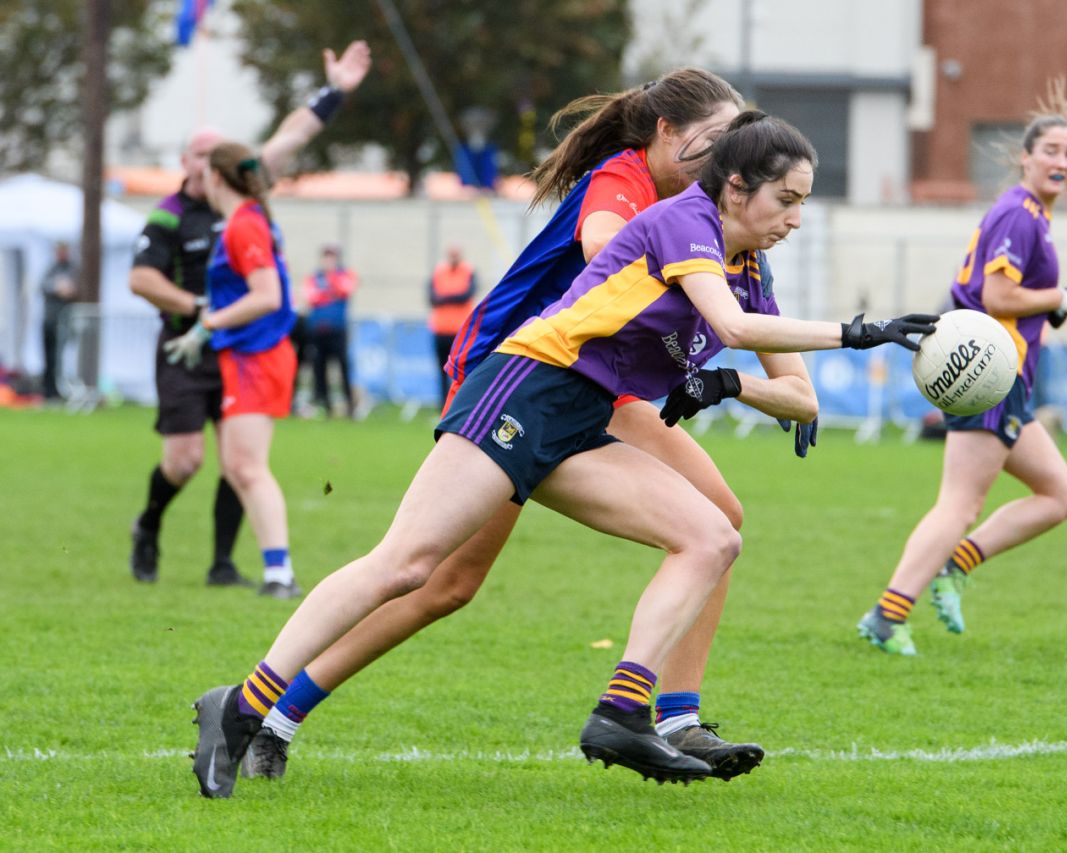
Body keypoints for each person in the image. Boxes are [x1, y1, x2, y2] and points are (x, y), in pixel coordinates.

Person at [189, 110, 935, 797]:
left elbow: (799, 396)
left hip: (582, 420)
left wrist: (723, 385)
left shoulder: (745, 267)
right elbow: (731, 325)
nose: (796, 219)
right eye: (786, 199)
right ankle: (246, 702)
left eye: (804, 201)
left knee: (712, 535)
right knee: (410, 565)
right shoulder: (686, 223)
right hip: (528, 388)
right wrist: (858, 331)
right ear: (736, 187)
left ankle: (624, 711)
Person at [240, 69, 766, 786]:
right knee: (441, 580)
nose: (722, 158)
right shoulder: (626, 178)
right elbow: (605, 249)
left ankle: (676, 717)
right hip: (514, 370)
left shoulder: (697, 206)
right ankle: (272, 714)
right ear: (665, 133)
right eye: (710, 141)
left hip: (593, 384)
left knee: (719, 521)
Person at [856, 81, 1067, 656]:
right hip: (986, 372)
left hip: (1005, 375)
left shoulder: (1030, 214)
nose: (1062, 161)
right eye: (1051, 151)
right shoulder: (1018, 215)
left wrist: (1054, 302)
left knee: (1059, 493)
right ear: (1025, 156)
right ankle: (887, 617)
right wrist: (1059, 297)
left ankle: (956, 565)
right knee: (961, 504)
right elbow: (997, 296)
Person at [126, 41, 371, 588]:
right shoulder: (169, 215)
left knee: (240, 462)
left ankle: (230, 565)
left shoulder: (245, 203)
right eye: (199, 152)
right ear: (190, 163)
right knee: (188, 460)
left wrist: (335, 91)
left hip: (238, 344)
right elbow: (140, 279)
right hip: (187, 346)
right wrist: (200, 313)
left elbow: (295, 133)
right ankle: (150, 523)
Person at [162, 141, 301, 600]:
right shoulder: (248, 218)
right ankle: (276, 570)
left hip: (256, 358)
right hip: (248, 357)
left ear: (217, 177)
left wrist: (206, 326)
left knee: (246, 466)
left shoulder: (243, 224)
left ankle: (279, 574)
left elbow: (267, 296)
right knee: (237, 465)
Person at [303, 244, 358, 416]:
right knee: (319, 367)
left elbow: (346, 289)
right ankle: (324, 404)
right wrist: (330, 293)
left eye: (332, 256)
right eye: (326, 257)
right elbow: (311, 297)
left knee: (343, 366)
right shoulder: (314, 277)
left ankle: (349, 404)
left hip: (338, 329)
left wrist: (327, 290)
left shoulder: (345, 274)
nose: (329, 260)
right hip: (318, 329)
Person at [426, 245, 477, 405]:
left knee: (461, 372)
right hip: (440, 330)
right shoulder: (438, 272)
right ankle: (442, 406)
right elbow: (432, 298)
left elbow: (466, 295)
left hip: (461, 331)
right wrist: (452, 297)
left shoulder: (469, 271)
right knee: (442, 371)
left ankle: (460, 405)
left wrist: (445, 297)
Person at [40, 241, 78, 400]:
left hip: (64, 321)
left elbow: (76, 289)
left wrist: (68, 290)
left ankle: (59, 390)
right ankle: (48, 391)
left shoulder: (74, 268)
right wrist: (56, 287)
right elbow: (42, 286)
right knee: (48, 357)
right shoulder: (51, 267)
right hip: (49, 320)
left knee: (60, 358)